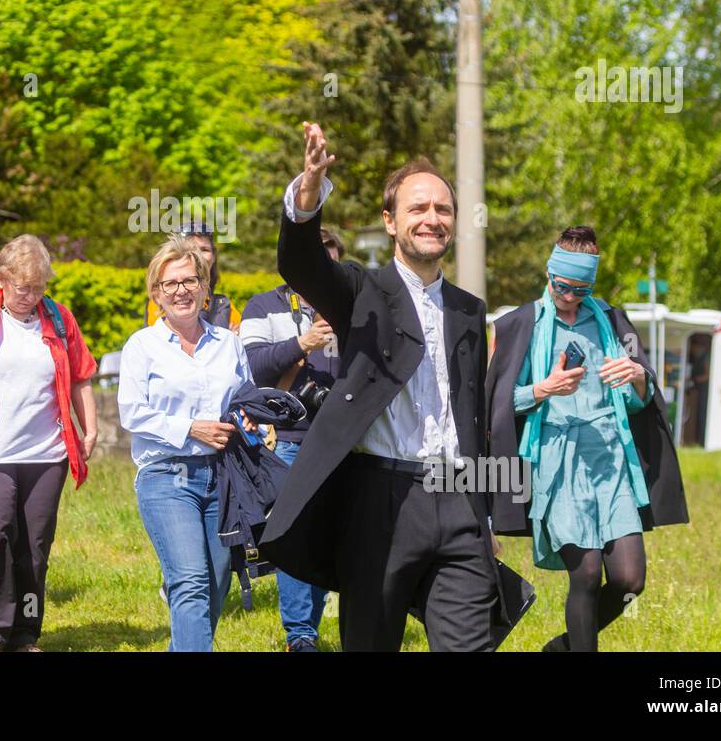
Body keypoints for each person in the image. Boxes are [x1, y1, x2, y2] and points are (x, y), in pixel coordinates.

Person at [259, 123, 502, 652]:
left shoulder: (468, 310)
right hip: (381, 499)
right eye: (418, 209)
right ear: (391, 222)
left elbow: (472, 414)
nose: (432, 219)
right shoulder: (361, 290)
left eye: (442, 209)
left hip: (456, 497)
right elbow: (300, 261)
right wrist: (308, 192)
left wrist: (484, 510)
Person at [485, 226, 689, 652]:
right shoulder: (519, 325)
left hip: (613, 460)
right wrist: (544, 388)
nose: (570, 296)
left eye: (582, 288)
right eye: (562, 285)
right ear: (549, 271)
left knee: (630, 580)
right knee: (586, 573)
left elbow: (637, 404)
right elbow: (498, 403)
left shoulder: (611, 321)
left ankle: (561, 647)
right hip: (558, 462)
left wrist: (637, 378)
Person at [0, 235, 98, 651]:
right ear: (2, 279)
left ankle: (25, 631)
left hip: (46, 454)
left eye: (39, 287)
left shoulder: (59, 319)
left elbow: (81, 375)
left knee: (34, 547)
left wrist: (91, 428)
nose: (31, 296)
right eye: (22, 287)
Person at [118, 234, 255, 651]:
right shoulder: (142, 346)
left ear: (205, 286)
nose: (181, 290)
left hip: (223, 478)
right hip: (167, 476)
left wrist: (249, 418)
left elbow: (246, 397)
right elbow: (132, 412)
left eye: (190, 280)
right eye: (170, 284)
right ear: (156, 294)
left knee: (217, 582)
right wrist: (190, 428)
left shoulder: (229, 343)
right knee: (190, 581)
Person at [238, 226, 344, 652]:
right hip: (288, 438)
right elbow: (251, 367)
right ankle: (300, 635)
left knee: (326, 537)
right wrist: (302, 341)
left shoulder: (352, 309)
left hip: (341, 442)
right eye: (315, 264)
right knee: (297, 533)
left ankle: (310, 629)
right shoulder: (263, 306)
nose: (323, 274)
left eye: (331, 266)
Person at [143, 223, 242, 330]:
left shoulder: (222, 304)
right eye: (192, 248)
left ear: (213, 257)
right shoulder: (163, 299)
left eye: (204, 249)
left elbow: (240, 336)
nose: (198, 255)